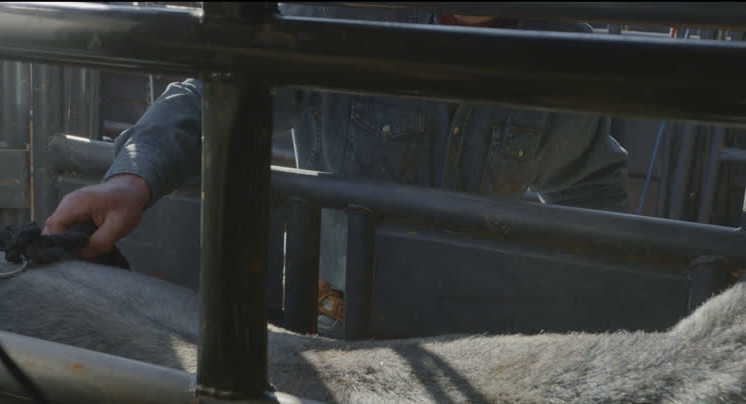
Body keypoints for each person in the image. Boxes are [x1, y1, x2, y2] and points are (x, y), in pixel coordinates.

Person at [43, 6, 630, 338]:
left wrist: (580, 303)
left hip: (470, 325)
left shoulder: (560, 46)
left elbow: (590, 188)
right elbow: (215, 95)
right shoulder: (342, 16)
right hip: (333, 315)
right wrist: (132, 178)